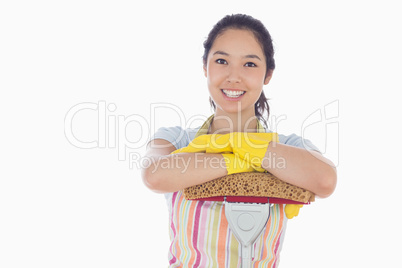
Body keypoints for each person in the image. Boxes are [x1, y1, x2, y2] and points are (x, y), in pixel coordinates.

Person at [142, 14, 337, 267]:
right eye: (222, 61)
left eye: (250, 64)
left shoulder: (291, 146)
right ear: (205, 67)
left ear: (268, 74)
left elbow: (325, 180)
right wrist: (244, 159)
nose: (234, 77)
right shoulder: (175, 139)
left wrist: (244, 146)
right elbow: (155, 176)